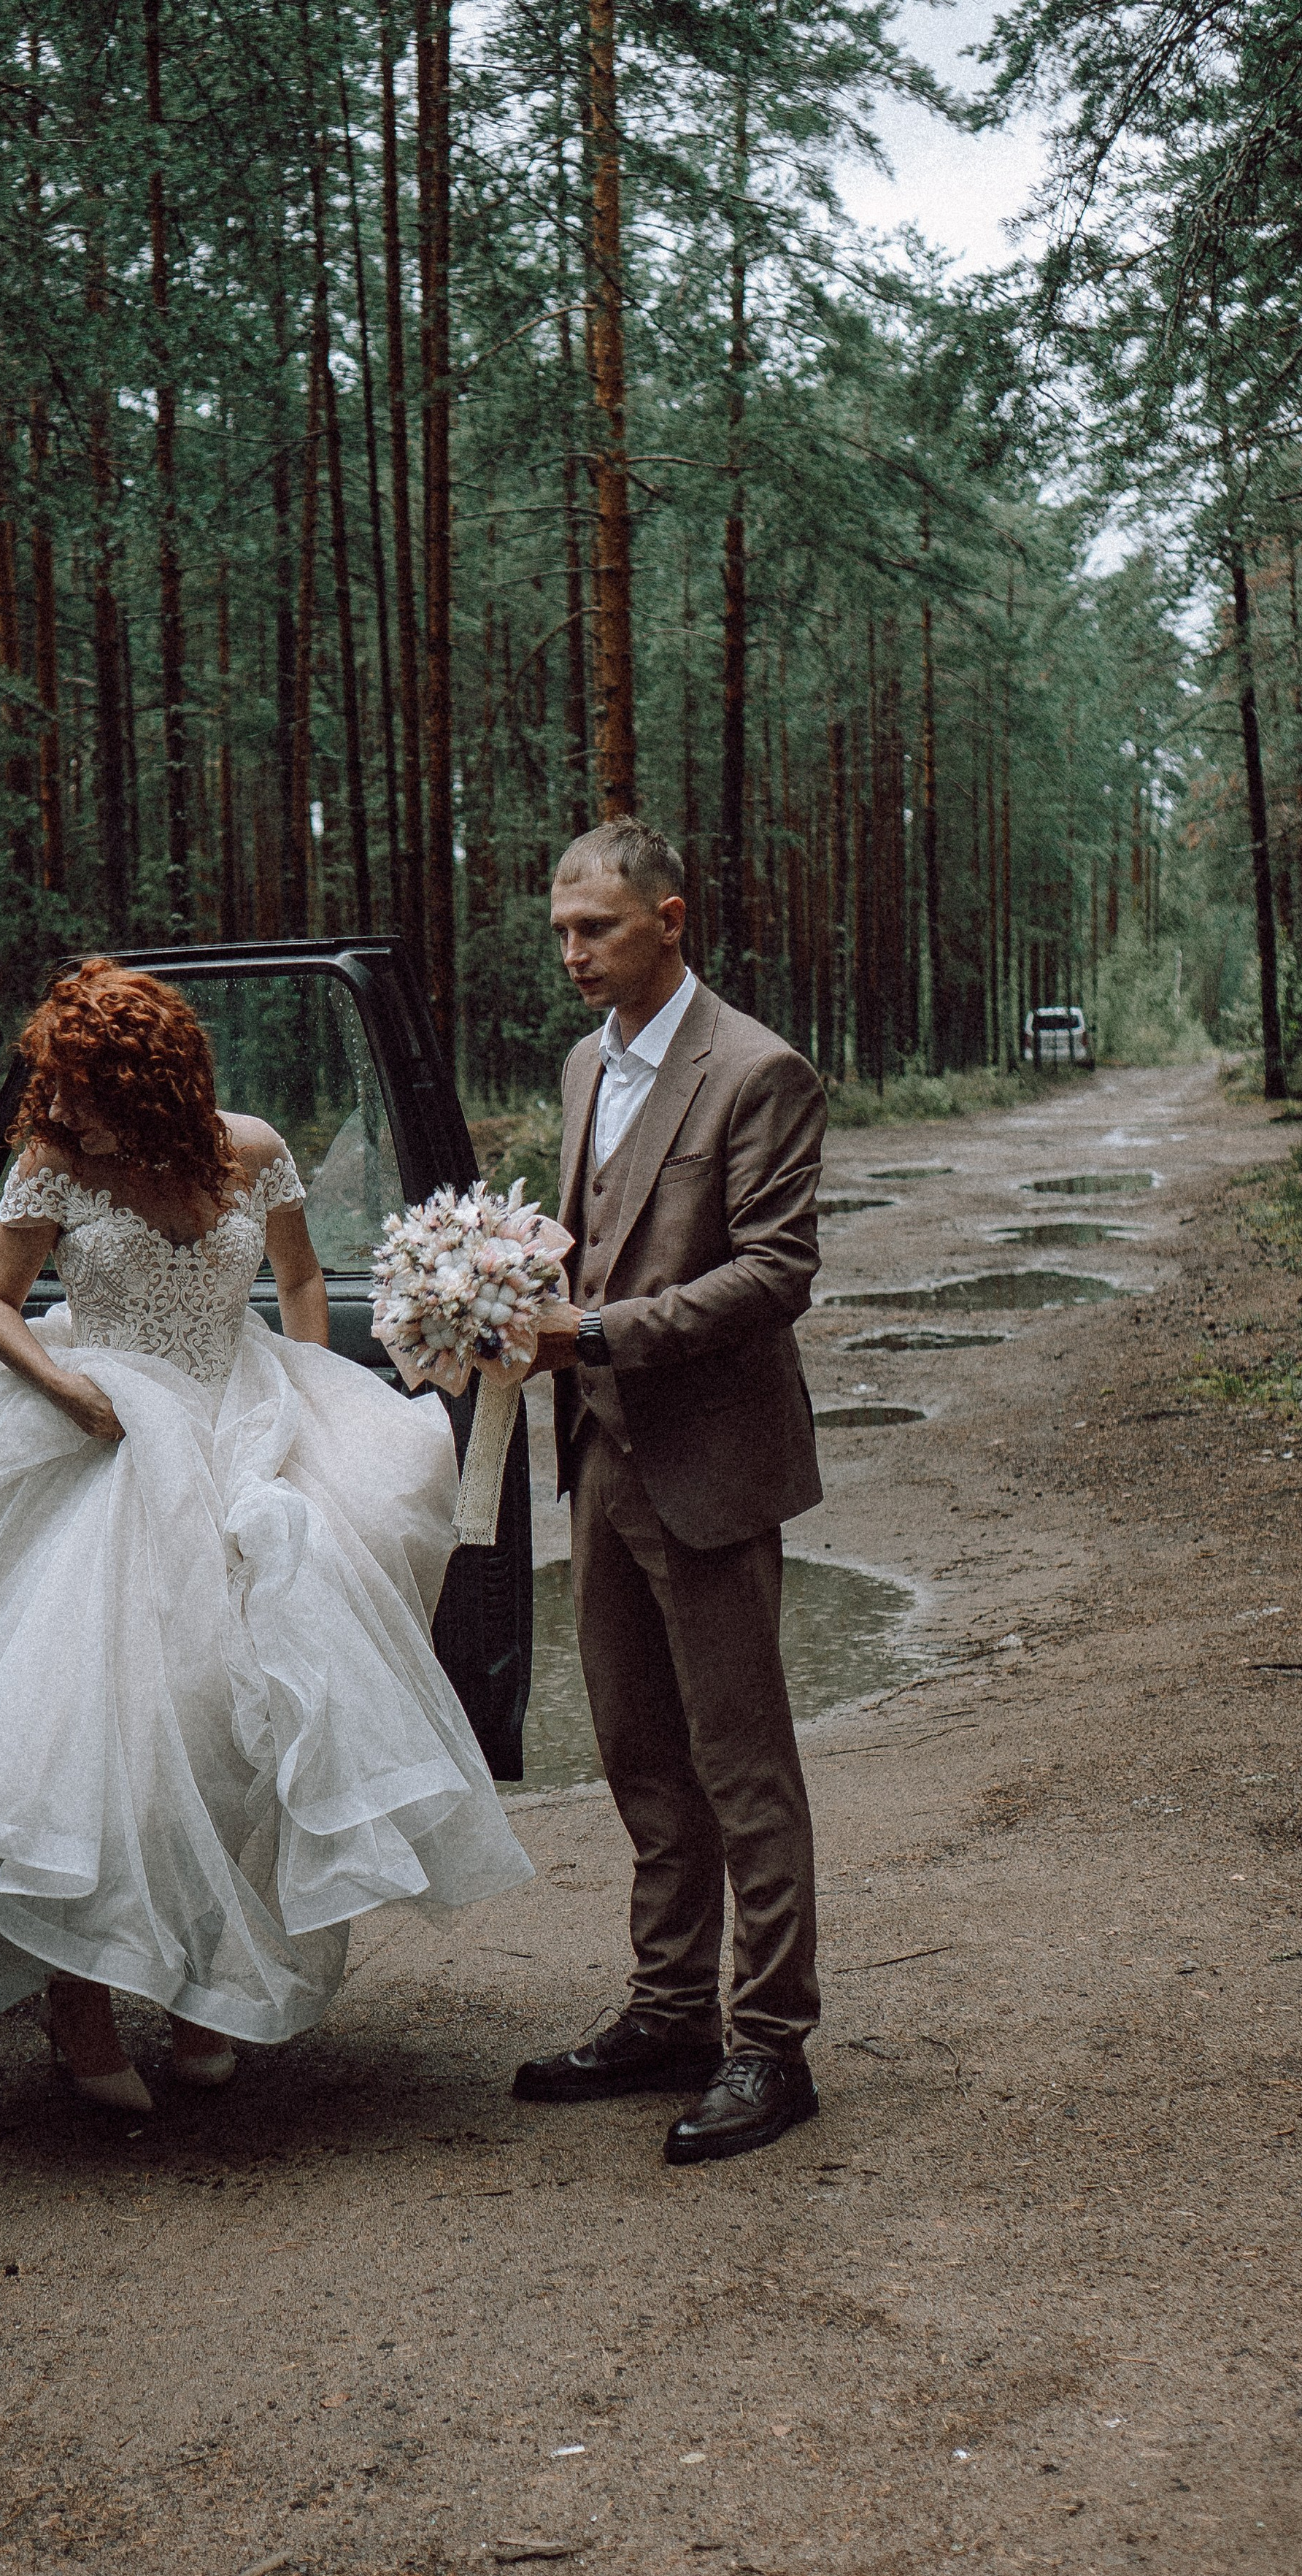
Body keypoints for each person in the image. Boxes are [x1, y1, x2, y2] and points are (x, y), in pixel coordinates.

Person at [0, 958, 533, 2110]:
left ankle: (208, 1984)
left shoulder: (251, 1151)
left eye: (81, 1084)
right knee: (103, 1735)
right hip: (99, 1437)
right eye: (53, 1085)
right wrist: (68, 1390)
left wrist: (309, 1399)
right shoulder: (56, 1164)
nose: (55, 1107)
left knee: (243, 1725)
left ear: (147, 1080)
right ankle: (80, 2002)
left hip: (240, 1426)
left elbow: (300, 1282)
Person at [516, 820, 827, 2165]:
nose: (574, 955)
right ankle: (667, 2015)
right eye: (563, 933)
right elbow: (593, 1235)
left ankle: (770, 2046)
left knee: (742, 1768)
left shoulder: (758, 1069)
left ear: (671, 920)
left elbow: (775, 1272)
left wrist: (589, 1335)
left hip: (709, 1468)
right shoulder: (588, 1063)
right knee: (641, 1758)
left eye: (598, 928)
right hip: (601, 1466)